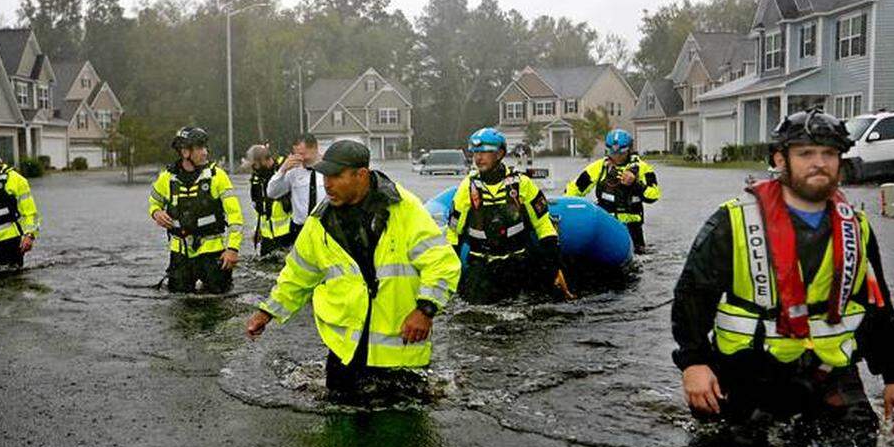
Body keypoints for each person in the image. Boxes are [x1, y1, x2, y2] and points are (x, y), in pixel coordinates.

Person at [672, 109, 894, 447]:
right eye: (806, 154)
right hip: (750, 369)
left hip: (828, 369)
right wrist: (694, 364)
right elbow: (691, 297)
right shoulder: (733, 221)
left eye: (829, 154)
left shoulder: (856, 227)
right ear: (780, 159)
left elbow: (877, 307)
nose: (819, 163)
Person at [246, 140, 462, 399]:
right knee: (340, 426)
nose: (327, 184)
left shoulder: (404, 209)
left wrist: (425, 309)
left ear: (361, 175)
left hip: (400, 350)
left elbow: (441, 262)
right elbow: (298, 274)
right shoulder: (320, 221)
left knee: (403, 432)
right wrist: (268, 311)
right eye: (325, 176)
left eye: (336, 176)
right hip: (345, 350)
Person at [446, 127, 564, 303]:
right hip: (482, 266)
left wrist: (554, 268)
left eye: (485, 152)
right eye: (475, 152)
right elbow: (454, 234)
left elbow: (543, 226)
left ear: (500, 153)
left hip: (518, 263)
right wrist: (448, 275)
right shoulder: (467, 187)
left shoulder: (521, 184)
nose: (478, 158)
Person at [148, 126, 244, 293]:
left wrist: (233, 249)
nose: (205, 152)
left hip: (213, 254)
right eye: (200, 148)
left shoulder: (217, 176)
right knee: (179, 304)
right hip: (180, 255)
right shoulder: (167, 178)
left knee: (219, 304)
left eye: (205, 147)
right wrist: (156, 212)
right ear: (185, 152)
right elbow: (154, 202)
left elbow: (235, 215)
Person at [565, 129, 660, 253]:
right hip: (607, 225)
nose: (617, 157)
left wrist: (635, 185)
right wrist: (566, 206)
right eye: (613, 153)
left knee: (639, 255)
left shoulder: (643, 168)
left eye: (621, 153)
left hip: (632, 228)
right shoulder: (599, 167)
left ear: (629, 150)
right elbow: (575, 188)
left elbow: (654, 195)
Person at [266, 133, 323, 232]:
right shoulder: (292, 171)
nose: (299, 158)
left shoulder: (329, 170)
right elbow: (272, 193)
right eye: (295, 153)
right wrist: (282, 170)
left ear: (314, 148)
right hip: (300, 229)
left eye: (302, 154)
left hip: (325, 227)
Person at [246, 144, 293, 256]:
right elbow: (259, 207)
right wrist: (257, 229)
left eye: (255, 165)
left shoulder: (284, 173)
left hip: (288, 235)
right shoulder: (257, 179)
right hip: (267, 238)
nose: (254, 168)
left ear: (264, 160)